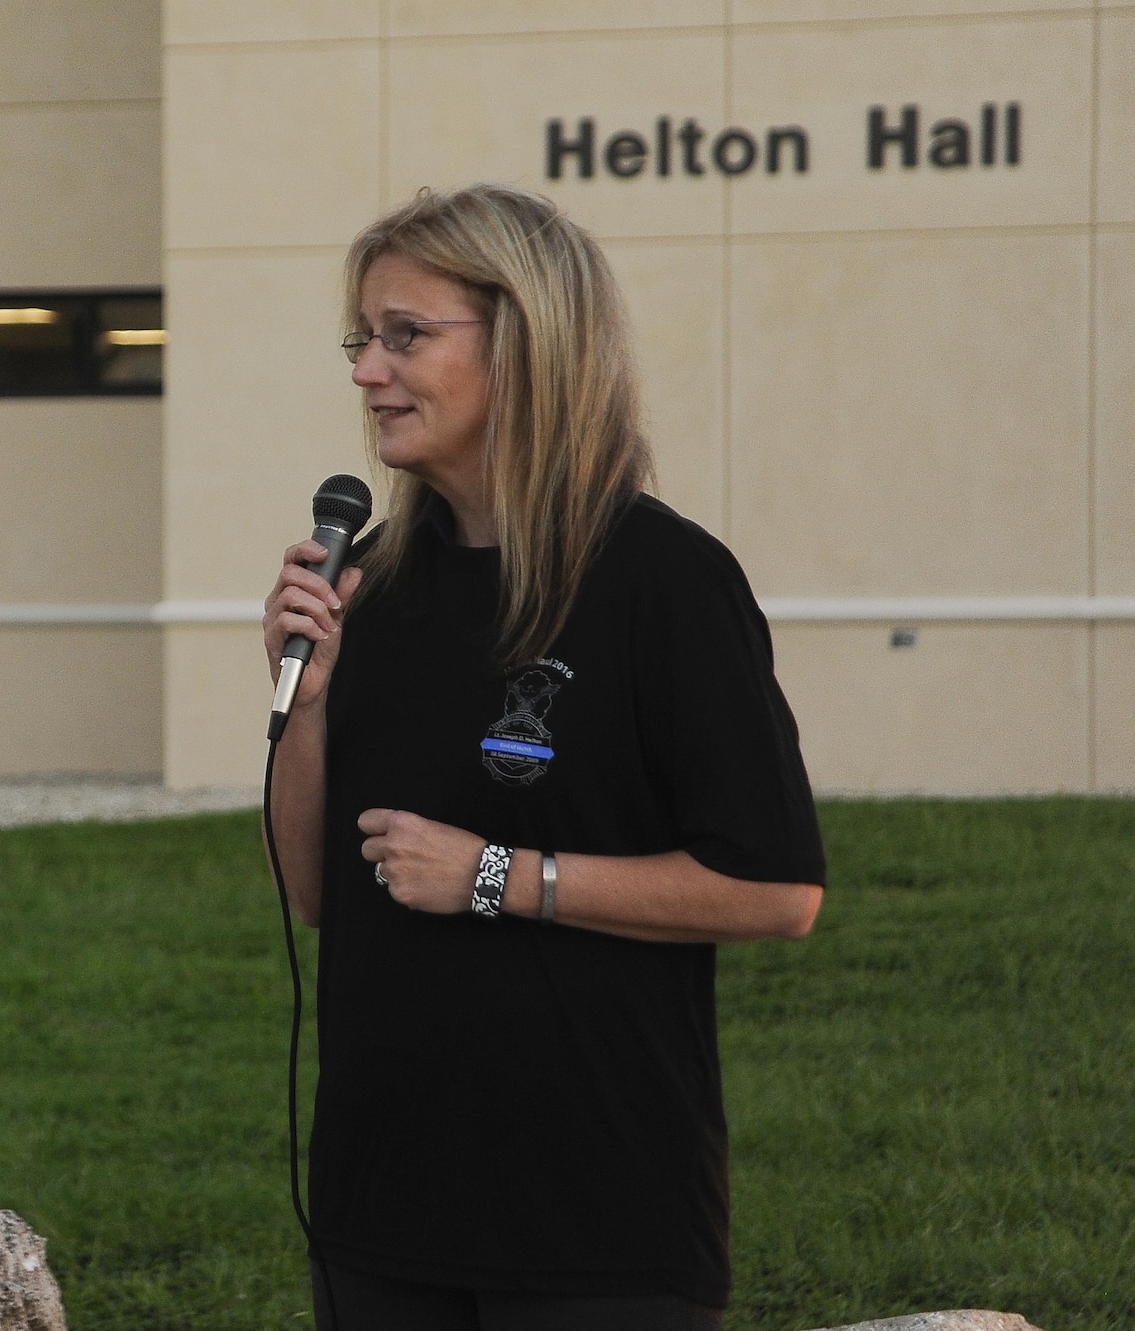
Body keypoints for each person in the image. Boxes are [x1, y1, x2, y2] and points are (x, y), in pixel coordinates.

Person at [261, 184, 826, 1331]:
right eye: (360, 340)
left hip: (596, 1222)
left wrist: (495, 874)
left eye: (405, 335)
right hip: (380, 1209)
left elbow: (775, 889)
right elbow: (318, 893)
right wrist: (304, 708)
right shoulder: (370, 586)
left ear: (524, 342)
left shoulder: (661, 583)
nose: (367, 369)